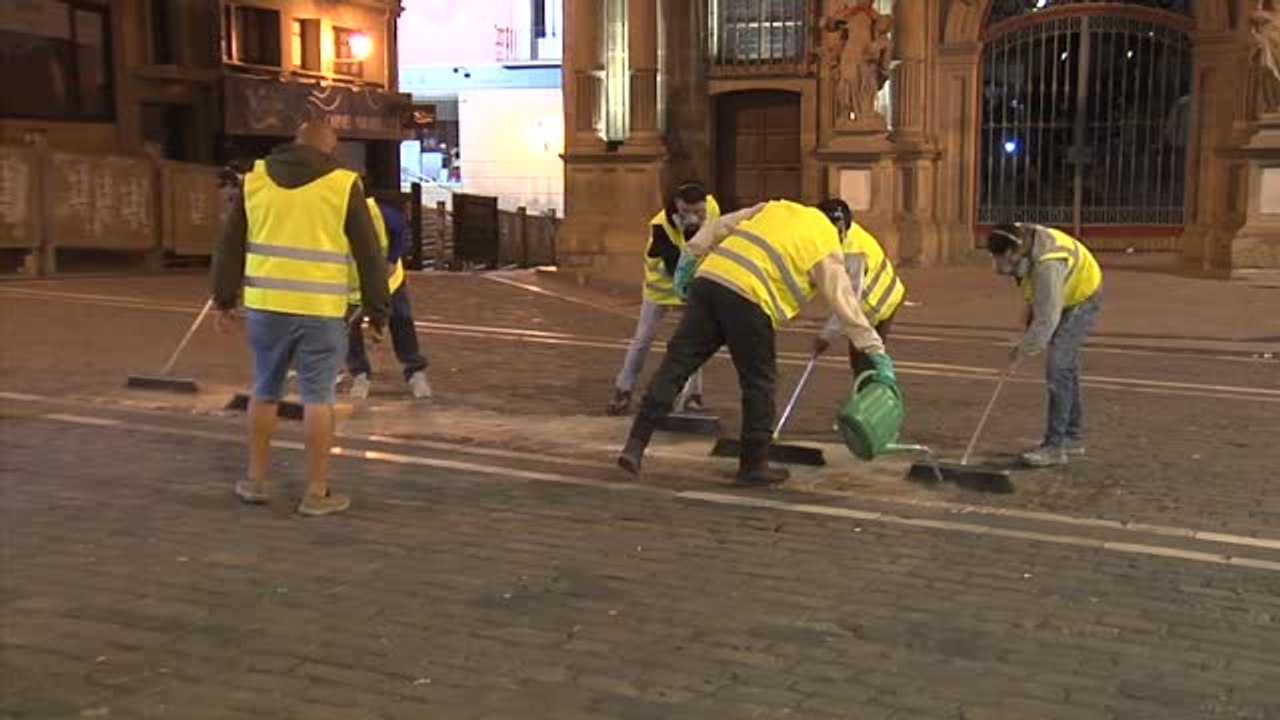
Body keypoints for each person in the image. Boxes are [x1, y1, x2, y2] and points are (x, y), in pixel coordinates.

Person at [617, 198, 897, 486]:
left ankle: (635, 445)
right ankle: (753, 464)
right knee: (759, 382)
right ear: (840, 227)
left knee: (675, 367)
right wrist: (876, 352)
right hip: (750, 300)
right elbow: (846, 305)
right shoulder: (824, 240)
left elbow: (716, 227)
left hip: (710, 283)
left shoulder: (775, 207)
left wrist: (689, 260)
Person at [211, 120, 390, 517]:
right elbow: (368, 255)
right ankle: (316, 491)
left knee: (264, 390)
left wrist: (223, 300)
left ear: (295, 142)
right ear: (331, 149)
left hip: (266, 306)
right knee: (318, 398)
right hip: (321, 311)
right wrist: (378, 313)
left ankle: (255, 480)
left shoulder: (255, 181)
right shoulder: (342, 186)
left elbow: (229, 245)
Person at [987, 223, 1104, 468]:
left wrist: (1022, 351)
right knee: (1066, 367)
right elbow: (1036, 296)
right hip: (1062, 292)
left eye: (1003, 259)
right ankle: (1071, 435)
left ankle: (1055, 446)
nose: (999, 265)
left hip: (1082, 296)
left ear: (1014, 251)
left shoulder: (1048, 264)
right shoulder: (1022, 240)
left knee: (1058, 367)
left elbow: (1047, 318)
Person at [607, 181, 721, 416]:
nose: (698, 216)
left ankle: (693, 396)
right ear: (678, 206)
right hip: (660, 288)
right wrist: (692, 235)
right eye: (691, 212)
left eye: (700, 211)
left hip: (691, 284)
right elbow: (674, 268)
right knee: (643, 338)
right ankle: (623, 389)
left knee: (694, 340)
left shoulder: (712, 208)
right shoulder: (661, 227)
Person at [346, 191, 431, 400]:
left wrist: (392, 259)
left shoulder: (376, 213)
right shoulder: (328, 218)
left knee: (400, 319)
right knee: (349, 328)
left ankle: (415, 370)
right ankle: (360, 374)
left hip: (388, 281)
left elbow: (399, 228)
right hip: (350, 284)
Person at [811, 199, 906, 376]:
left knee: (866, 362)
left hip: (877, 305)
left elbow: (848, 301)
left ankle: (874, 398)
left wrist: (826, 336)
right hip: (877, 300)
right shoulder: (848, 234)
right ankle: (868, 395)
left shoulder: (853, 251)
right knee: (862, 361)